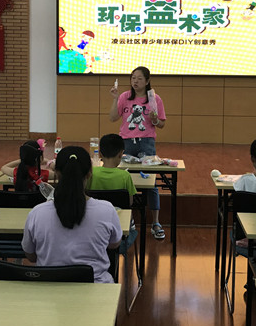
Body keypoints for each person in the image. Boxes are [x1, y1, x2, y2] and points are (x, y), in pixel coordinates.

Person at [22, 146, 122, 283]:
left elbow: (31, 256)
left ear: (57, 173)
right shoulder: (107, 210)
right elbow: (114, 244)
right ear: (90, 173)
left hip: (49, 290)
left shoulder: (37, 213)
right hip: (96, 288)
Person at [109, 66, 166, 239]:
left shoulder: (154, 98)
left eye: (139, 78)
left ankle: (155, 222)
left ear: (147, 81)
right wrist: (115, 99)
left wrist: (155, 120)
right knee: (125, 181)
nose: (135, 81)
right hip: (126, 143)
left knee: (151, 182)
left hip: (146, 143)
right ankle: (128, 219)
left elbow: (161, 124)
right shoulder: (125, 96)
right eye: (133, 78)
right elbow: (113, 117)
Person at [88, 133, 137, 204]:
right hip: (119, 211)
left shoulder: (91, 173)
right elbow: (130, 202)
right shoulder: (125, 176)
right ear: (121, 154)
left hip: (95, 210)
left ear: (100, 154)